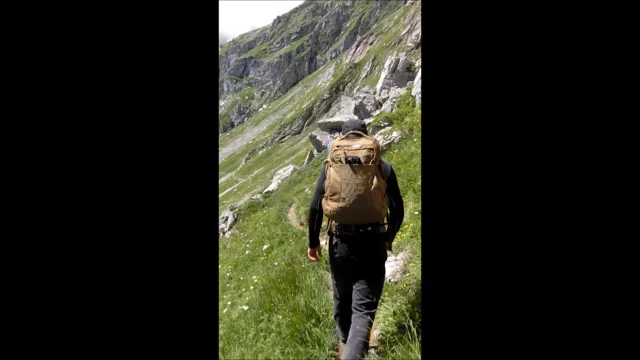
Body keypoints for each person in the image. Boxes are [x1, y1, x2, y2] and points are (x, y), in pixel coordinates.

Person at [307, 119, 404, 360]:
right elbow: (398, 208)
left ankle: (346, 343)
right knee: (363, 310)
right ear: (365, 137)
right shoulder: (382, 166)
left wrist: (312, 243)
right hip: (373, 241)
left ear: (343, 137)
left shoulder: (331, 165)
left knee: (341, 297)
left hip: (340, 242)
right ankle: (354, 350)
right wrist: (389, 237)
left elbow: (314, 207)